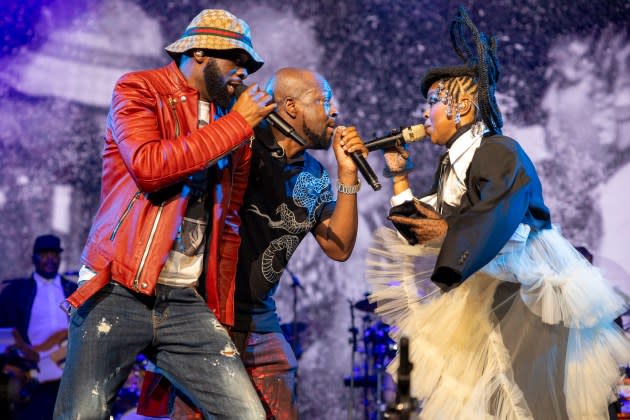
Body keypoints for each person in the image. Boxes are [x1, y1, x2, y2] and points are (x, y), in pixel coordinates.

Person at [366, 6, 630, 419]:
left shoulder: (497, 151)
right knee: (494, 397)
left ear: (464, 107)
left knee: (537, 399)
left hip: (528, 289)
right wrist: (400, 178)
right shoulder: (453, 164)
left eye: (434, 101)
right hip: (491, 287)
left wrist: (447, 238)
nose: (423, 113)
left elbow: (497, 219)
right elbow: (419, 225)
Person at [53, 9, 275, 420]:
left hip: (185, 300)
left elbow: (227, 226)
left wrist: (221, 313)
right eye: (236, 60)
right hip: (117, 286)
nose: (243, 72)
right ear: (200, 53)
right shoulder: (139, 89)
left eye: (248, 65)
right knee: (82, 415)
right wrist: (239, 124)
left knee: (247, 415)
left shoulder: (233, 122)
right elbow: (150, 167)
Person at [163, 67, 368, 419]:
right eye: (323, 101)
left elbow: (339, 247)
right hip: (206, 315)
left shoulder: (314, 174)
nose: (333, 112)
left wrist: (347, 177)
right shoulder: (243, 144)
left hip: (260, 320)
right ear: (290, 106)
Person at [0, 234, 77, 420]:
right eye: (44, 254)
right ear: (34, 257)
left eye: (55, 254)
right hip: (34, 373)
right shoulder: (16, 292)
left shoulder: (73, 290)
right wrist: (10, 362)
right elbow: (4, 333)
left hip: (70, 372)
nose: (50, 259)